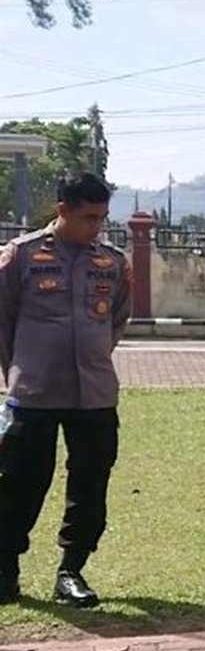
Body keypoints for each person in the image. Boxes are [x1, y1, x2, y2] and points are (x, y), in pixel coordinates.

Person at [0, 172, 131, 608]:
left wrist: (92, 357)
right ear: (63, 211)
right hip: (34, 395)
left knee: (90, 485)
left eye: (102, 218)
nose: (97, 227)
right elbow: (3, 322)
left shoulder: (111, 262)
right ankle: (5, 570)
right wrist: (18, 370)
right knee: (19, 484)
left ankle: (71, 571)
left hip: (94, 395)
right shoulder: (20, 257)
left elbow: (115, 319)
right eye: (88, 218)